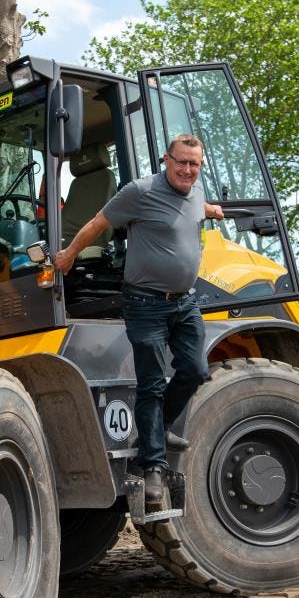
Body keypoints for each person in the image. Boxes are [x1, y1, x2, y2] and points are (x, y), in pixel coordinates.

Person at [54, 134, 224, 510]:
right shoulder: (140, 191)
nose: (187, 169)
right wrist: (68, 254)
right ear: (166, 159)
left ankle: (156, 432)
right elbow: (99, 222)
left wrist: (212, 210)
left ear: (200, 165)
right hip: (145, 304)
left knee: (195, 369)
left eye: (194, 164)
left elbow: (193, 210)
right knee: (151, 383)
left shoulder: (194, 192)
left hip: (185, 303)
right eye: (180, 162)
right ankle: (153, 468)